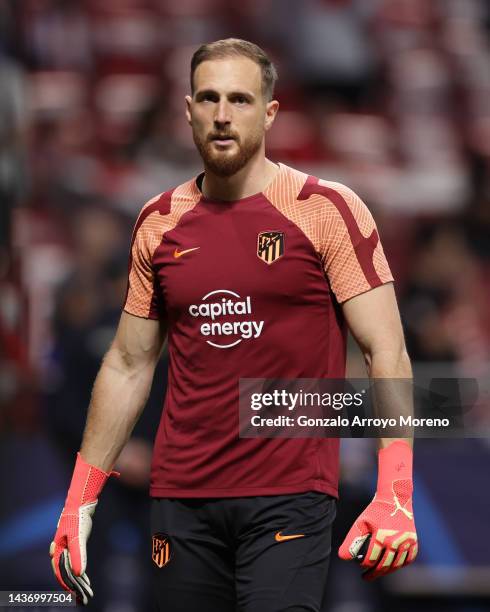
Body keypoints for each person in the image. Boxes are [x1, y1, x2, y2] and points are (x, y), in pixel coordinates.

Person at [49, 38, 418, 611]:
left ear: (270, 112)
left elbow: (387, 353)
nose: (223, 115)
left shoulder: (328, 210)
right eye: (210, 98)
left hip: (290, 495)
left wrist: (396, 490)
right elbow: (127, 363)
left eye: (241, 100)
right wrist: (80, 500)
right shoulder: (158, 223)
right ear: (189, 107)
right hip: (179, 500)